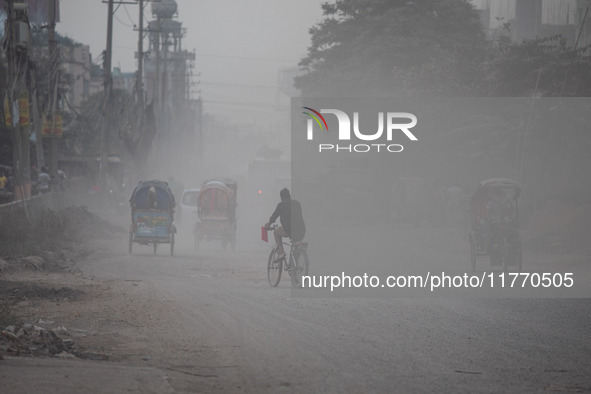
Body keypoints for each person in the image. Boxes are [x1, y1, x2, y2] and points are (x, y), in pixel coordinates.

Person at [265, 188, 306, 258]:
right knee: (295, 247)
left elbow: (273, 218)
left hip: (289, 229)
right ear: (289, 195)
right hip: (301, 229)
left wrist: (267, 226)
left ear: (281, 197)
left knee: (276, 232)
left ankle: (282, 253)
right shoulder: (296, 203)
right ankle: (295, 266)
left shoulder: (281, 205)